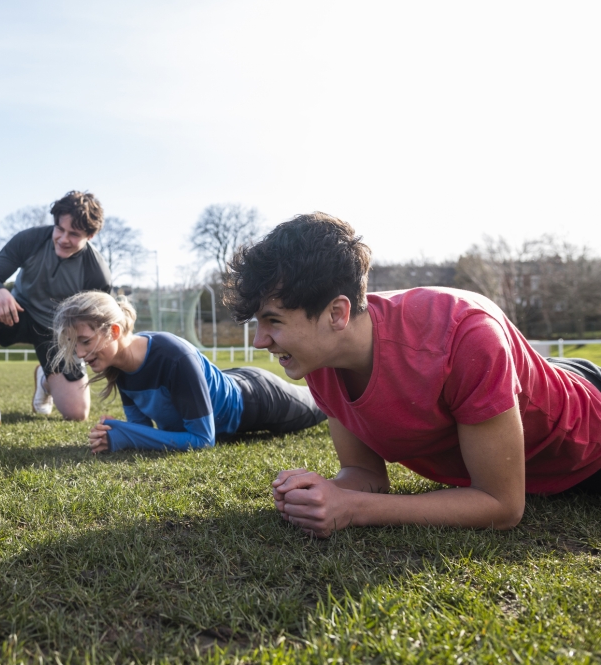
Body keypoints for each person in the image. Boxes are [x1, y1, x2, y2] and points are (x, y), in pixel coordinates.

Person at [223, 212, 601, 538]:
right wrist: (327, 493)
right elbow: (363, 473)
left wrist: (354, 509)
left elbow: (502, 505)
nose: (259, 341)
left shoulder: (464, 337)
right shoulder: (319, 357)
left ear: (336, 313)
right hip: (533, 381)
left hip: (586, 430)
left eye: (273, 321)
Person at [51, 291, 326, 453]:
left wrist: (125, 434)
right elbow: (144, 433)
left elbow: (202, 440)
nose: (80, 354)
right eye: (75, 345)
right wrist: (116, 433)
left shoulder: (172, 356)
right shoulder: (119, 366)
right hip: (232, 377)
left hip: (260, 398)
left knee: (326, 403)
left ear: (113, 331)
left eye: (84, 342)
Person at [0, 190, 112, 427]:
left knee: (77, 413)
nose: (63, 238)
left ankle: (45, 380)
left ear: (91, 235)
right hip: (17, 314)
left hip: (58, 332)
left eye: (74, 234)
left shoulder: (97, 273)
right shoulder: (30, 240)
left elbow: (93, 326)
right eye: (60, 228)